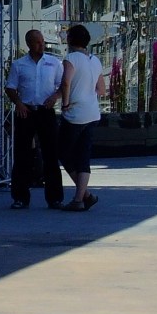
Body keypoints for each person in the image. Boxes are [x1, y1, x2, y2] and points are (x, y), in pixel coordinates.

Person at [4, 29, 65, 209]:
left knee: (51, 154)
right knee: (22, 154)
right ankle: (20, 197)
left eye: (42, 42)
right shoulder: (19, 64)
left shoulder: (53, 63)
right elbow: (10, 87)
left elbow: (63, 85)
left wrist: (55, 96)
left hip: (46, 110)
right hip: (26, 111)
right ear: (29, 44)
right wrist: (18, 103)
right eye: (37, 42)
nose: (41, 45)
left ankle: (54, 198)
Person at [58, 23, 103, 211]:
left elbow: (66, 82)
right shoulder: (95, 60)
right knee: (83, 155)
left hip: (75, 114)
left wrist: (65, 103)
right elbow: (102, 89)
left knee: (64, 153)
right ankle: (82, 196)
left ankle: (82, 196)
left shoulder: (71, 59)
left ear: (70, 40)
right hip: (92, 112)